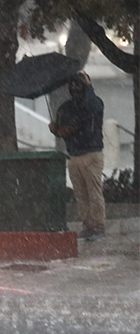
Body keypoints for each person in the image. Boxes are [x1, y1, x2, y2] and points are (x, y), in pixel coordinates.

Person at [49, 71, 106, 241]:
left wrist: (88, 87)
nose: (75, 86)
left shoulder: (94, 103)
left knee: (93, 193)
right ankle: (88, 226)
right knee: (81, 194)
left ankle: (97, 227)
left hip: (91, 153)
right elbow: (62, 130)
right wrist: (55, 129)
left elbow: (91, 108)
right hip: (74, 155)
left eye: (79, 83)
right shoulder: (66, 107)